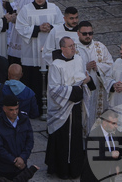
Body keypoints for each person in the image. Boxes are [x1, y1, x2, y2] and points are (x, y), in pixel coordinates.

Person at [45, 37, 86, 179]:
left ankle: (75, 168)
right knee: (62, 138)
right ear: (62, 48)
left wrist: (81, 86)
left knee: (75, 137)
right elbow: (54, 89)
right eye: (70, 46)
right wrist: (75, 91)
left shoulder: (79, 59)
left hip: (75, 106)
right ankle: (61, 168)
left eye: (74, 45)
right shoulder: (56, 65)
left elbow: (81, 77)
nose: (73, 48)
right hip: (62, 107)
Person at [0, 95, 33, 181]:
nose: (15, 112)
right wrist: (14, 161)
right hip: (3, 170)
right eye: (11, 110)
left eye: (16, 109)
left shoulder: (24, 120)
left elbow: (29, 141)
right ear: (4, 109)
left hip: (21, 167)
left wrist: (23, 158)